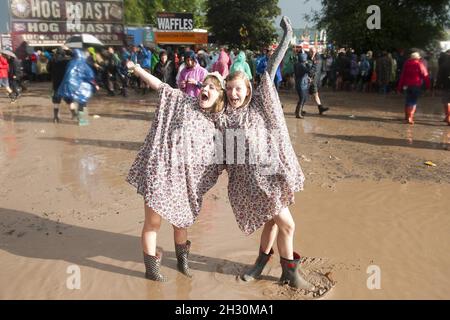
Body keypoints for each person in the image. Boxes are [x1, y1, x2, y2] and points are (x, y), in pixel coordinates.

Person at [224, 16, 316, 291]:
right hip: (251, 184)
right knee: (272, 223)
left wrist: (287, 34)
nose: (232, 94)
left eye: (237, 88)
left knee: (285, 224)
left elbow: (273, 64)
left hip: (272, 176)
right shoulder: (226, 116)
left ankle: (288, 272)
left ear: (248, 89)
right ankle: (262, 265)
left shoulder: (260, 104)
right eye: (229, 89)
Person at [126, 60, 226, 281]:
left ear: (220, 97)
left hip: (186, 183)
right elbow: (160, 86)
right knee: (153, 223)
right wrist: (137, 69)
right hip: (161, 172)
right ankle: (151, 270)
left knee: (181, 223)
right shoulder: (182, 101)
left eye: (213, 88)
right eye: (205, 86)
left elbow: (223, 154)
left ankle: (183, 261)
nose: (206, 90)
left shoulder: (217, 124)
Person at [57, 49, 99, 126]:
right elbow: (90, 76)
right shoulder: (83, 64)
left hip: (68, 86)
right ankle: (82, 120)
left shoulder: (70, 63)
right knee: (82, 102)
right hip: (79, 86)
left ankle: (74, 114)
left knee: (71, 101)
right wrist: (95, 84)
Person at [397, 52, 430, 125]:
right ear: (418, 58)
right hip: (416, 85)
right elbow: (425, 75)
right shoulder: (419, 64)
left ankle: (406, 116)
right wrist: (428, 86)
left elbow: (402, 76)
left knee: (408, 100)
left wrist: (399, 87)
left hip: (406, 85)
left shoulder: (406, 64)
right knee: (413, 101)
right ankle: (410, 117)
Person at [47, 47, 72, 123]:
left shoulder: (52, 60)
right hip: (65, 83)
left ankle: (55, 117)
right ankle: (74, 114)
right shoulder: (67, 60)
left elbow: (48, 69)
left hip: (56, 83)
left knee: (56, 101)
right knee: (69, 100)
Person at [308, 47, 329, 115]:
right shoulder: (309, 58)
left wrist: (319, 78)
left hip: (315, 80)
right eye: (311, 52)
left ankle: (320, 108)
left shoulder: (318, 59)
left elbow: (322, 70)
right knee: (313, 94)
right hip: (311, 80)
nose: (312, 53)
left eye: (313, 52)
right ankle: (320, 108)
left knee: (313, 94)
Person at [294, 52, 311, 119]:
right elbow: (309, 71)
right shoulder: (301, 66)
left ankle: (299, 111)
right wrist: (312, 65)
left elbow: (304, 74)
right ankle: (298, 113)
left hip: (301, 83)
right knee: (302, 99)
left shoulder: (297, 64)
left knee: (304, 98)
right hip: (301, 84)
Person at [436, 50, 450, 126]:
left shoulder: (444, 64)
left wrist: (438, 85)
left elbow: (439, 76)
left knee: (446, 102)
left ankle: (448, 117)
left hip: (446, 85)